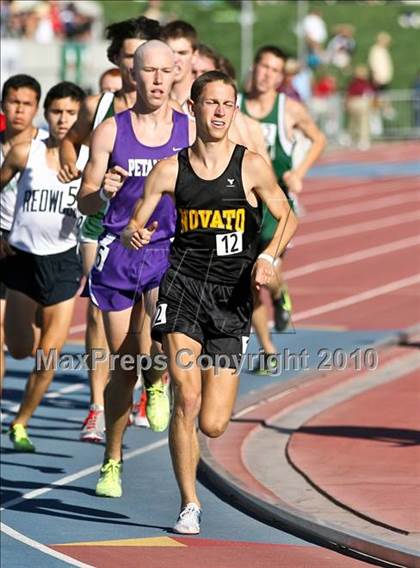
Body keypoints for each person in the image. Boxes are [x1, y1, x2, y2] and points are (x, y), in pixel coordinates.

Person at [121, 71, 298, 533]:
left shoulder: (251, 165)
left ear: (233, 111)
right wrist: (134, 233)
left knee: (214, 423)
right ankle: (189, 503)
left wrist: (268, 256)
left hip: (232, 296)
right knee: (188, 400)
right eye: (211, 103)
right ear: (194, 108)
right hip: (182, 290)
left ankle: (182, 390)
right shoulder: (170, 168)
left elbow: (287, 217)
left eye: (228, 104)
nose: (220, 112)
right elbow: (134, 223)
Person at [78, 39, 193, 497]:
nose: (159, 80)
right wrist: (103, 192)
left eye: (167, 71)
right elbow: (85, 198)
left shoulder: (188, 131)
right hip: (119, 251)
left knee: (162, 328)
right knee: (123, 363)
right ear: (134, 75)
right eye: (150, 72)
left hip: (168, 248)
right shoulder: (110, 131)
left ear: (176, 75)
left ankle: (159, 379)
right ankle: (112, 457)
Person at [58, 16, 161, 442]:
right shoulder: (99, 108)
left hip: (157, 233)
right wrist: (68, 156)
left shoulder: (171, 115)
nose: (137, 64)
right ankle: (97, 406)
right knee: (97, 312)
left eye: (144, 55)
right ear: (117, 61)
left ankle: (150, 384)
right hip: (103, 223)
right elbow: (71, 138)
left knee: (152, 322)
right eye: (129, 55)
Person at [0, 81, 85, 451]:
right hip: (22, 260)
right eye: (57, 112)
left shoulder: (89, 159)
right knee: (20, 349)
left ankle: (21, 422)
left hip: (64, 263)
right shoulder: (24, 152)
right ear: (45, 114)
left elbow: (102, 201)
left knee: (49, 356)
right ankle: (31, 321)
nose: (63, 119)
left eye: (71, 113)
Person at [239, 45, 325, 373]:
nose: (266, 75)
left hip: (277, 205)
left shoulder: (288, 109)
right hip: (244, 203)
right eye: (263, 67)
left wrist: (298, 172)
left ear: (280, 77)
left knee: (268, 272)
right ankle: (269, 349)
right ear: (254, 68)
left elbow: (318, 139)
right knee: (249, 283)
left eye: (274, 71)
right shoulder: (235, 105)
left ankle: (281, 292)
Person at [0, 74, 48, 401]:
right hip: (3, 241)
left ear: (36, 108)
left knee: (28, 345)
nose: (19, 110)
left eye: (27, 104)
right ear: (3, 104)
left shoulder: (51, 146)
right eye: (14, 102)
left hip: (41, 250)